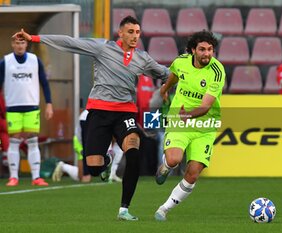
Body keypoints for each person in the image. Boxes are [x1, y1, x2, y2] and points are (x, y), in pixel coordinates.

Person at [14, 15, 169, 220]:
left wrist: (181, 77)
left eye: (138, 32)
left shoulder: (143, 58)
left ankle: (124, 209)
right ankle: (107, 159)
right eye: (130, 32)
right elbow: (70, 42)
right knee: (94, 168)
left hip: (125, 113)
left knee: (133, 152)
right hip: (99, 112)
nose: (134, 36)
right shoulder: (102, 48)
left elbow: (166, 73)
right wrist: (34, 38)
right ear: (120, 33)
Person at [154, 30, 225, 221]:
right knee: (175, 159)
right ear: (193, 50)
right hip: (179, 117)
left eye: (210, 49)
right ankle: (166, 165)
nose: (207, 54)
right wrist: (165, 88)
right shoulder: (181, 61)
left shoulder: (217, 71)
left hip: (205, 126)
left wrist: (189, 115)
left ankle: (164, 209)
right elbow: (175, 74)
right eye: (202, 49)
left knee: (193, 174)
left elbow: (205, 106)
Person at [0, 36, 53, 187]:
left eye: (22, 42)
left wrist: (49, 103)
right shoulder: (6, 62)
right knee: (14, 141)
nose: (20, 45)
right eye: (17, 43)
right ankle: (13, 177)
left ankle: (36, 177)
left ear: (26, 44)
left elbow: (44, 83)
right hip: (13, 107)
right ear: (12, 44)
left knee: (32, 141)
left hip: (31, 107)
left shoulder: (35, 61)